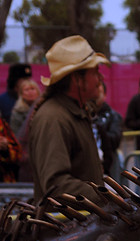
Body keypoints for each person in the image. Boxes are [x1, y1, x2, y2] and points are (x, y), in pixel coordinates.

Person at [29, 34, 110, 203]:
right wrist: (104, 196)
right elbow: (56, 186)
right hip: (66, 227)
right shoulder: (53, 119)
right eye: (95, 72)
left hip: (81, 226)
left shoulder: (75, 111)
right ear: (76, 79)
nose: (100, 78)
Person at [91, 82, 123, 180]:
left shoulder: (113, 116)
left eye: (99, 91)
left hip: (109, 167)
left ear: (104, 95)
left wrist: (100, 132)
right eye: (93, 91)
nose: (95, 95)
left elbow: (115, 139)